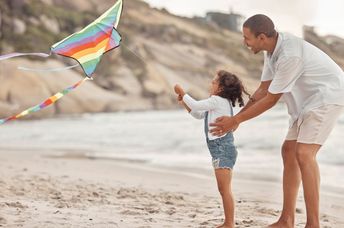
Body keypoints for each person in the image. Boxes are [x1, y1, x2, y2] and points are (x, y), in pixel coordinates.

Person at [210, 14, 344, 228]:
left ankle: (313, 224)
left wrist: (236, 121)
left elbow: (272, 99)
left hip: (327, 97)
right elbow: (263, 89)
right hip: (306, 102)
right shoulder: (272, 52)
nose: (244, 43)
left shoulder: (290, 54)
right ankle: (287, 220)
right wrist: (236, 118)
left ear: (262, 37)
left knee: (304, 154)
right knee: (288, 151)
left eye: (247, 38)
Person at [174, 70, 250, 228]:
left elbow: (195, 104)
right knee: (223, 189)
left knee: (224, 189)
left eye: (214, 82)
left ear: (221, 88)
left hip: (222, 148)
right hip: (220, 149)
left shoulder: (217, 100)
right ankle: (228, 222)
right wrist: (184, 103)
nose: (211, 83)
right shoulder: (218, 102)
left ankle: (229, 223)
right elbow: (199, 114)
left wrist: (183, 92)